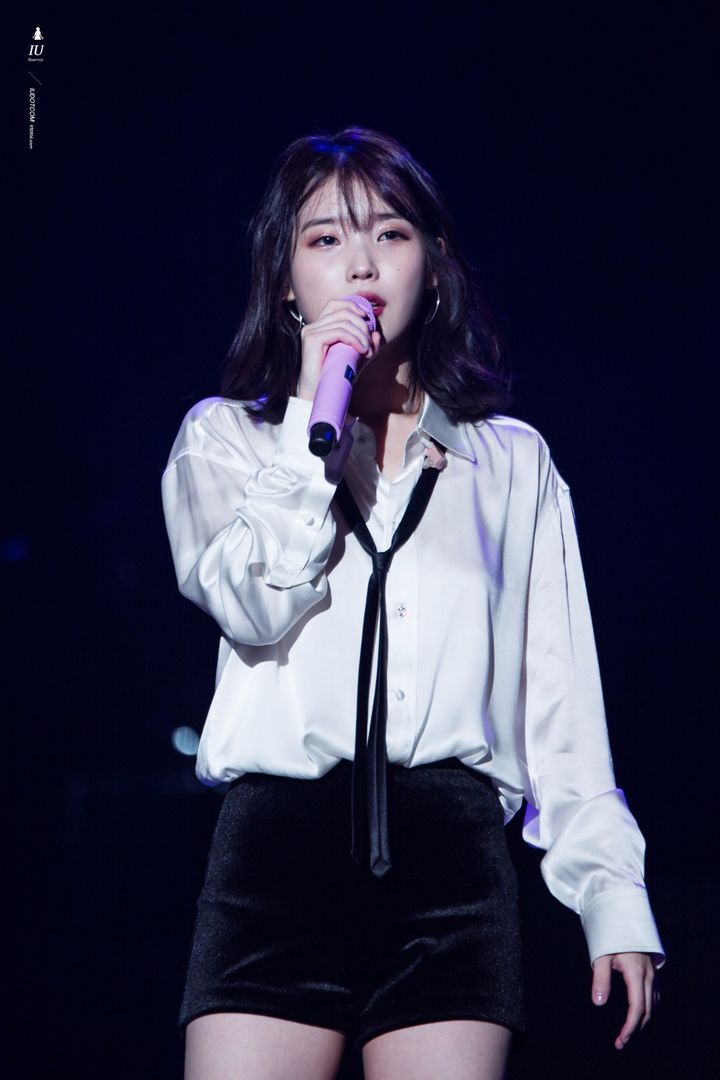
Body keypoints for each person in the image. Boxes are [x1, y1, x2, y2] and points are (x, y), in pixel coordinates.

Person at [161, 126, 665, 1080]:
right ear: (286, 282)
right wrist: (312, 422)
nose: (360, 264)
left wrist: (613, 895)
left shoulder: (510, 462)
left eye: (389, 234)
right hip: (275, 858)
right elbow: (253, 605)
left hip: (452, 867)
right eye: (325, 239)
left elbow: (560, 703)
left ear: (432, 267)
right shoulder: (225, 441)